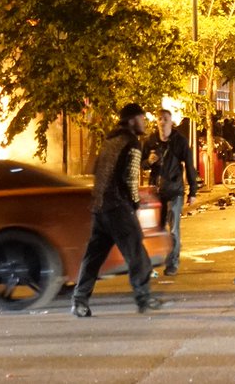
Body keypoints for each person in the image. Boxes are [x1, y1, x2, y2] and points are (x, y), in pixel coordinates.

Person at [71, 103, 160, 317]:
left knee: (93, 258)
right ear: (131, 120)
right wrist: (135, 203)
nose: (144, 122)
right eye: (141, 118)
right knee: (136, 252)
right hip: (118, 207)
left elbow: (97, 171)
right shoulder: (132, 143)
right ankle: (143, 297)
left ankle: (79, 301)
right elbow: (130, 178)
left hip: (100, 208)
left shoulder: (110, 140)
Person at [145, 110, 199, 276]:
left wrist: (192, 191)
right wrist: (149, 161)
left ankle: (172, 263)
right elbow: (142, 164)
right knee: (156, 228)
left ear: (171, 122)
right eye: (159, 119)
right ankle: (153, 261)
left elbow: (189, 166)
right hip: (156, 191)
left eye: (165, 119)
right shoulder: (151, 141)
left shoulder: (179, 142)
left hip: (175, 190)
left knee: (173, 229)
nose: (162, 122)